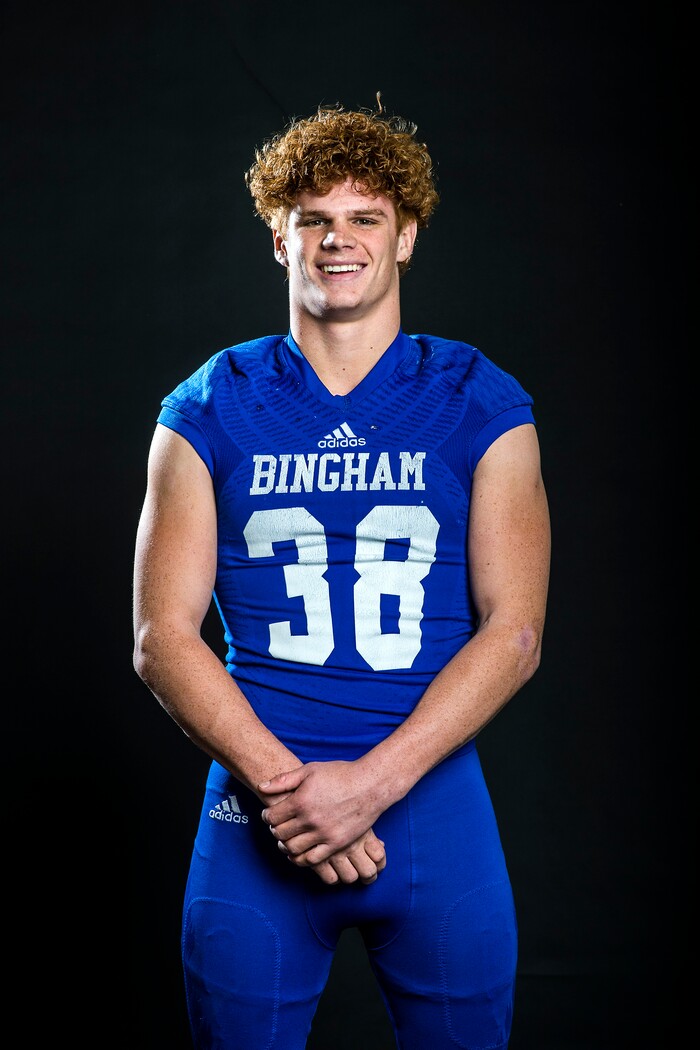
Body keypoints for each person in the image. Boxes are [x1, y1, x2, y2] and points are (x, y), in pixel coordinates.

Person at [132, 97, 551, 1050]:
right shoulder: (212, 402)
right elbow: (161, 638)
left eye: (366, 217)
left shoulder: (476, 397)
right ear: (280, 241)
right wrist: (297, 792)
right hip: (257, 814)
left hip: (433, 811)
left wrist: (368, 787)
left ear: (406, 237)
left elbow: (517, 630)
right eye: (312, 219)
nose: (338, 239)